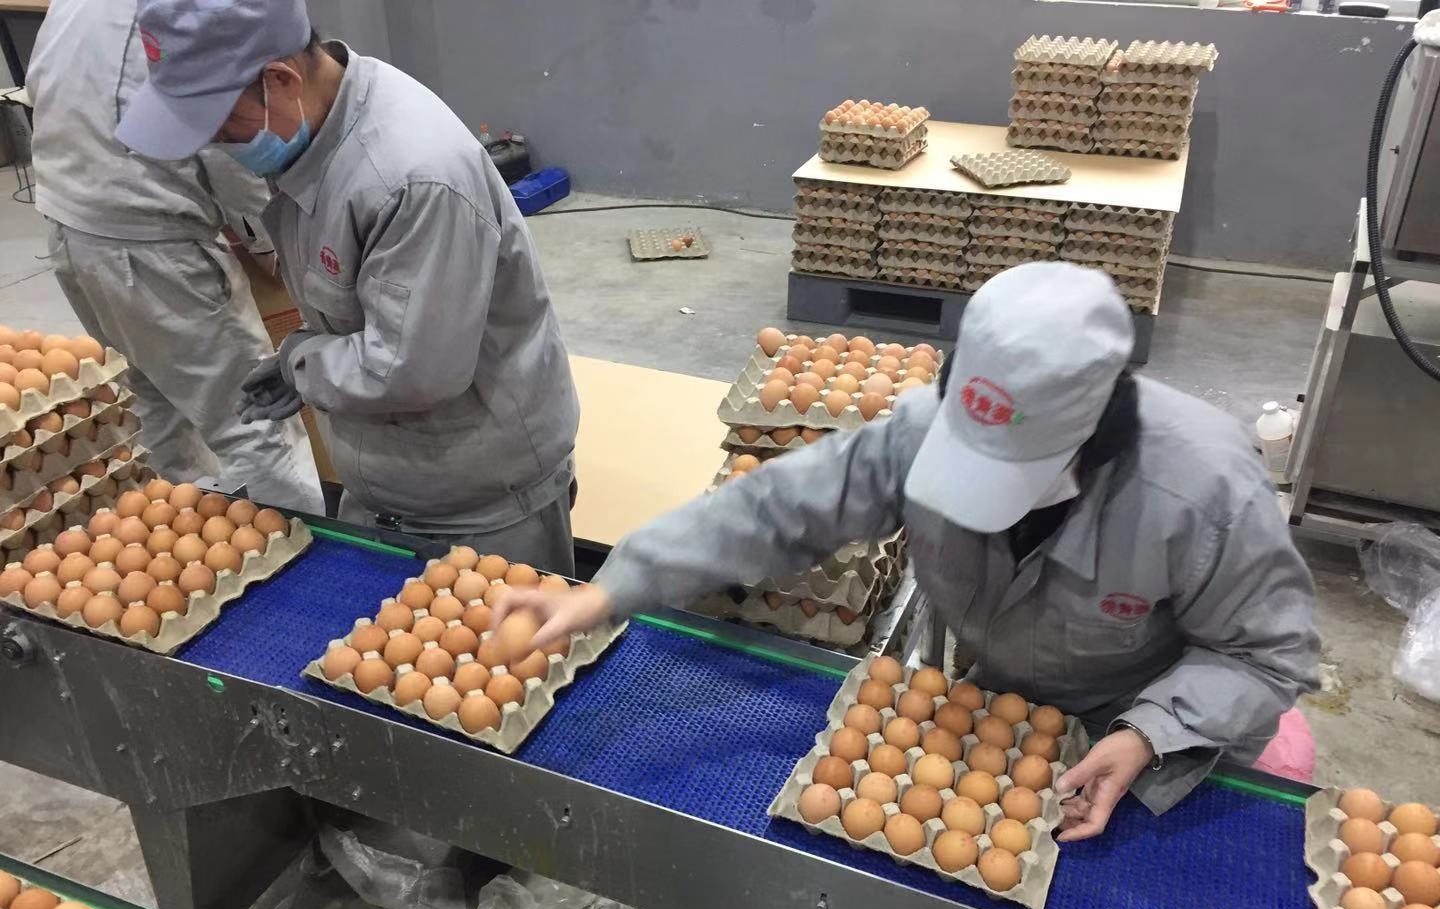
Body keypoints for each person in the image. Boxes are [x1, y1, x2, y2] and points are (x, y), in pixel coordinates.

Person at [497, 263, 1322, 839]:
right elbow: (779, 507)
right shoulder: (929, 428)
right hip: (1002, 712)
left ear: (1094, 438)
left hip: (1144, 730)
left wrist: (1150, 732)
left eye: (1015, 475)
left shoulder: (1202, 492)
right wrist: (613, 585)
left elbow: (1268, 657)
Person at [114, 0, 580, 573]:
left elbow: (412, 371)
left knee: (496, 630)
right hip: (391, 489)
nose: (213, 144)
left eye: (219, 124)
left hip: (480, 508)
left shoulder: (411, 177)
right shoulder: (316, 131)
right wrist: (312, 365)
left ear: (280, 80)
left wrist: (303, 362)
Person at [25, 0, 323, 514]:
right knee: (254, 421)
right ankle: (298, 549)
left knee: (155, 399)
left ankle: (179, 524)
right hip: (152, 243)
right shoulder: (188, 12)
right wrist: (266, 238)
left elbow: (40, 86)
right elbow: (225, 130)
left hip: (71, 226)